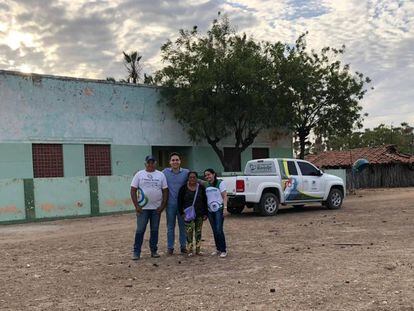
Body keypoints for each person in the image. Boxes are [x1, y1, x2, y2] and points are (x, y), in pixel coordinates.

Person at [130, 155, 168, 260]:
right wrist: (136, 206)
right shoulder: (139, 174)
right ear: (145, 163)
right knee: (140, 230)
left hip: (156, 209)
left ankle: (154, 251)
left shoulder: (161, 175)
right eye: (149, 162)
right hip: (143, 208)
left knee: (154, 230)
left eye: (153, 162)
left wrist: (162, 206)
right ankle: (136, 252)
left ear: (155, 163)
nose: (150, 164)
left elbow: (165, 191)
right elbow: (133, 190)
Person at [162, 152, 189, 255]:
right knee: (170, 227)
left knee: (183, 226)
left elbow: (194, 180)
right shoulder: (164, 172)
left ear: (180, 161)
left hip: (182, 205)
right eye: (173, 160)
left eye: (177, 160)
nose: (175, 162)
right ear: (170, 162)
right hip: (170, 205)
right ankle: (170, 247)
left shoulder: (186, 172)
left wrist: (207, 183)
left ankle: (183, 246)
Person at [177, 171, 208, 257]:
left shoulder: (201, 188)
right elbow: (179, 202)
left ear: (197, 178)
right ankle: (189, 250)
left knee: (198, 232)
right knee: (189, 232)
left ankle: (198, 250)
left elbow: (205, 201)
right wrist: (181, 213)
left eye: (194, 177)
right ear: (188, 178)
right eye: (190, 177)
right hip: (188, 215)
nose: (192, 179)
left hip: (199, 214)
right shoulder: (183, 188)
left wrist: (205, 213)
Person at [203, 168, 228, 258]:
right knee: (214, 230)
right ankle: (218, 248)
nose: (207, 176)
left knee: (219, 229)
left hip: (219, 209)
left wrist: (225, 208)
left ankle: (223, 249)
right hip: (210, 210)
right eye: (206, 175)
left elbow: (225, 196)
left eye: (209, 174)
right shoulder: (206, 185)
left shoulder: (220, 183)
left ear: (213, 174)